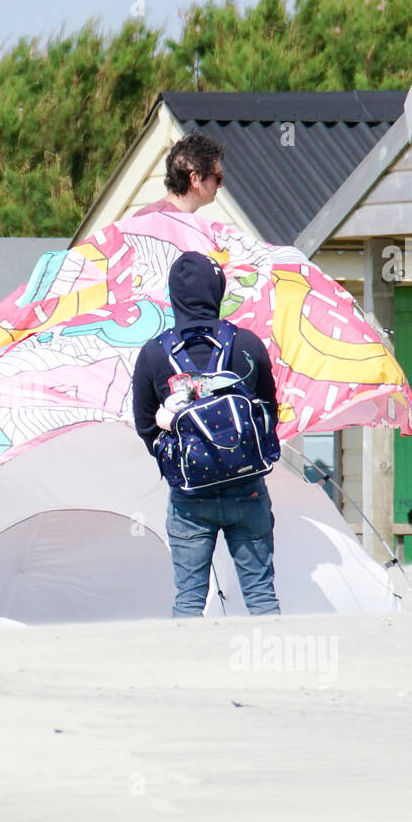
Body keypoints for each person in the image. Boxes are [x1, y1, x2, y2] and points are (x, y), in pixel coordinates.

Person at [131, 252, 281, 617]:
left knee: (189, 602)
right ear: (217, 291)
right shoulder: (247, 344)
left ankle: (185, 671)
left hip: (189, 497)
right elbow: (269, 412)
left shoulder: (153, 354)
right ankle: (276, 671)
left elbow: (145, 425)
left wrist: (180, 461)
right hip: (247, 488)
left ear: (173, 295)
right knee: (261, 597)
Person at [133, 131, 225, 218]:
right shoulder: (153, 219)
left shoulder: (154, 216)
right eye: (218, 178)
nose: (220, 185)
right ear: (195, 179)